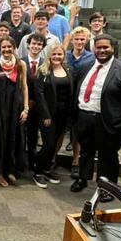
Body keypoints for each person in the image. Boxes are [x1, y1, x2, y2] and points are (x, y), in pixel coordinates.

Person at [70, 34, 121, 199]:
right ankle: (83, 179)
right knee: (86, 151)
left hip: (109, 121)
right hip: (84, 117)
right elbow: (77, 91)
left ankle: (107, 188)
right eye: (98, 47)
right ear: (94, 49)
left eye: (105, 47)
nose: (101, 50)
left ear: (113, 49)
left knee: (107, 155)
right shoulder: (85, 66)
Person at [0, 37, 28, 187]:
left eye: (9, 47)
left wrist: (25, 108)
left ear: (14, 47)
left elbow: (24, 87)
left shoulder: (20, 64)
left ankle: (10, 169)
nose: (6, 50)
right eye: (3, 47)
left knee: (14, 138)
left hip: (15, 108)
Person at [33, 45, 72, 189]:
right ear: (49, 55)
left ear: (63, 56)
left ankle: (47, 169)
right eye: (54, 54)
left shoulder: (68, 70)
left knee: (54, 144)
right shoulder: (43, 71)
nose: (57, 57)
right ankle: (37, 171)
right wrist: (46, 115)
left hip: (63, 114)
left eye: (59, 54)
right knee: (48, 144)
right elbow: (40, 95)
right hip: (48, 115)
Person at [66, 27, 95, 177]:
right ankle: (51, 159)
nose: (79, 41)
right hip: (64, 98)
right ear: (72, 40)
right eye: (76, 39)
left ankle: (76, 161)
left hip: (82, 98)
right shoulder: (64, 56)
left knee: (77, 132)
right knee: (60, 131)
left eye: (82, 39)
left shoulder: (92, 58)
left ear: (86, 40)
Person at [21, 33, 46, 172]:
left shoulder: (45, 63)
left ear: (42, 47)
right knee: (20, 135)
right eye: (34, 43)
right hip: (23, 105)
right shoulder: (21, 61)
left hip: (38, 107)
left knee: (33, 136)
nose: (36, 46)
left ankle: (31, 163)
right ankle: (20, 163)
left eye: (39, 44)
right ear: (28, 44)